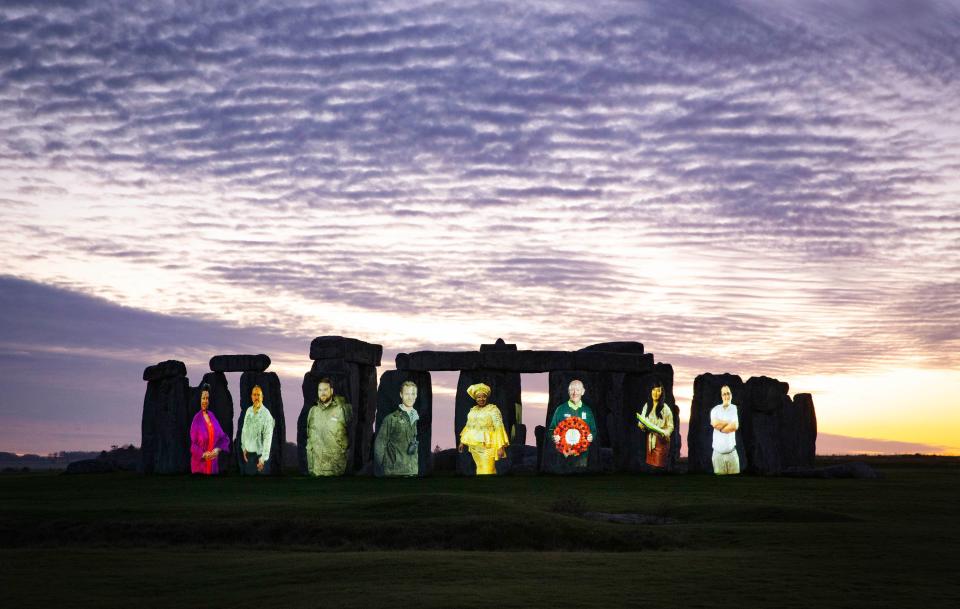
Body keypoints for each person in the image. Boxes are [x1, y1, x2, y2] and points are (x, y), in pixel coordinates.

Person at [458, 383, 509, 475]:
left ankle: (491, 488)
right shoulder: (473, 410)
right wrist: (462, 442)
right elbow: (468, 426)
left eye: (483, 397)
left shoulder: (493, 409)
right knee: (480, 468)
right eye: (478, 397)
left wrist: (500, 446)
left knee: (488, 470)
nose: (481, 399)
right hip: (474, 445)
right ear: (475, 398)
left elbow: (499, 427)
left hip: (488, 445)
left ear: (486, 397)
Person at [305, 377, 352, 476]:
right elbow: (309, 436)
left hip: (336, 468)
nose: (323, 393)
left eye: (325, 390)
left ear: (332, 390)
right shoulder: (313, 411)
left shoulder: (342, 409)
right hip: (315, 469)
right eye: (320, 390)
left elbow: (351, 434)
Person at [373, 380, 420, 477]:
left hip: (412, 471)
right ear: (401, 395)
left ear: (416, 396)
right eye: (407, 394)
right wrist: (383, 468)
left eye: (413, 394)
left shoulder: (416, 418)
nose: (410, 397)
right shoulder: (391, 419)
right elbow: (379, 444)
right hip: (393, 472)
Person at [548, 379, 597, 471]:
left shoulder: (588, 411)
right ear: (568, 391)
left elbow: (593, 430)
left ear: (583, 392)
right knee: (563, 482)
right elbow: (551, 429)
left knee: (580, 482)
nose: (575, 393)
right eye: (572, 390)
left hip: (582, 456)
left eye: (578, 390)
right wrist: (553, 436)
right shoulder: (560, 409)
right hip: (563, 455)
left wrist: (592, 436)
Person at [189, 383, 230, 475]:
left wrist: (217, 449)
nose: (205, 401)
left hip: (213, 467)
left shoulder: (212, 416)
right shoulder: (196, 419)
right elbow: (193, 445)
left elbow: (223, 438)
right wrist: (203, 454)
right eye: (203, 398)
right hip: (200, 467)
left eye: (207, 398)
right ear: (199, 400)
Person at [636, 378, 674, 469]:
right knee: (650, 465)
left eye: (658, 391)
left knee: (659, 466)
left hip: (661, 441)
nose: (655, 393)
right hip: (649, 441)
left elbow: (670, 426)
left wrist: (665, 433)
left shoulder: (665, 408)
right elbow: (641, 421)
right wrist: (641, 425)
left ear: (661, 392)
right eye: (653, 390)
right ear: (650, 391)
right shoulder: (647, 406)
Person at [240, 385, 275, 475]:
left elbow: (268, 437)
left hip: (260, 457)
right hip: (248, 456)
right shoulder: (248, 411)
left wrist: (263, 458)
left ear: (262, 397)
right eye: (254, 395)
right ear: (251, 397)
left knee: (261, 486)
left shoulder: (266, 414)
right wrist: (244, 447)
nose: (256, 397)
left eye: (258, 395)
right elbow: (244, 431)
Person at [710, 385, 740, 475]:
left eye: (728, 393)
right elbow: (715, 424)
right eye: (724, 394)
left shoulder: (734, 408)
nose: (727, 396)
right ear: (721, 396)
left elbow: (734, 426)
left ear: (731, 395)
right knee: (719, 485)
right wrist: (728, 422)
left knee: (735, 484)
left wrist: (721, 427)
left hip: (732, 454)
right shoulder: (715, 409)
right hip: (717, 454)